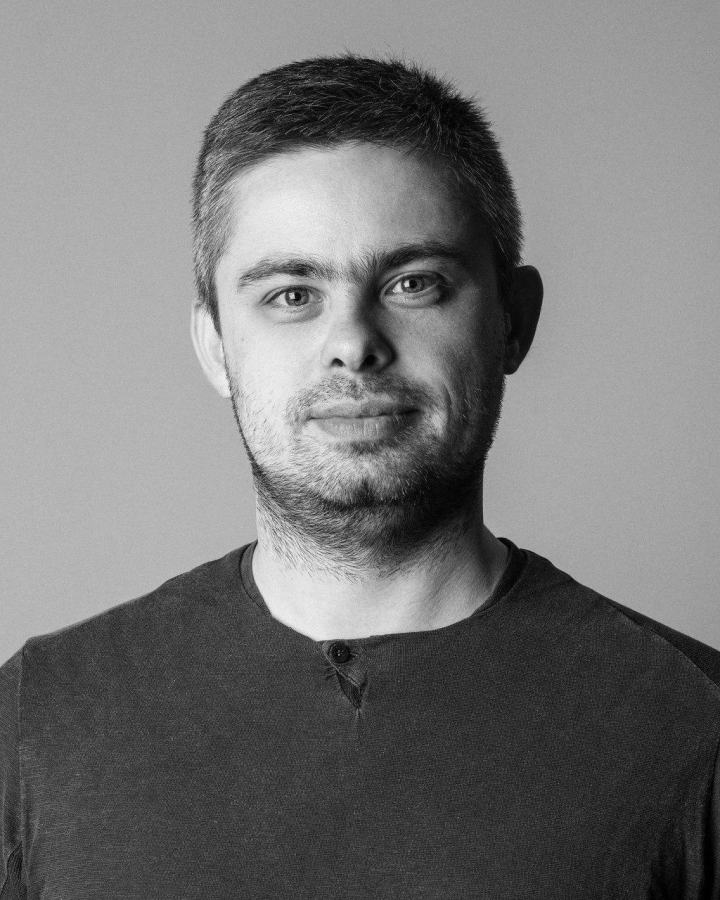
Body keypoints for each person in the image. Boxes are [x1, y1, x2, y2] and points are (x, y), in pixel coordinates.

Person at [1, 54, 718, 898]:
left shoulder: (691, 726)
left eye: (414, 283)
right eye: (291, 294)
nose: (353, 343)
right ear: (216, 347)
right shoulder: (39, 719)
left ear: (513, 320)